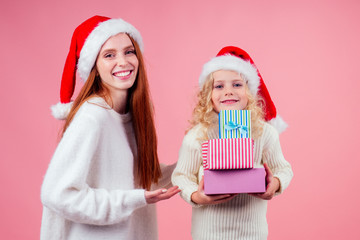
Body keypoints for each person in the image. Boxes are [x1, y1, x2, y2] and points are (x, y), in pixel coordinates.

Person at [41, 15, 180, 240]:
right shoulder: (93, 116)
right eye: (109, 55)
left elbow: (142, 181)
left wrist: (196, 158)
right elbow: (56, 194)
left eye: (129, 51)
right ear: (94, 66)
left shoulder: (131, 115)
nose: (123, 62)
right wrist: (136, 199)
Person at [171, 46, 293, 240]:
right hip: (208, 234)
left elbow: (283, 169)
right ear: (208, 96)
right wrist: (196, 195)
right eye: (219, 86)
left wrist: (275, 184)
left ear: (251, 93)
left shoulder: (264, 132)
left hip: (252, 233)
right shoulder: (198, 135)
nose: (228, 92)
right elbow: (181, 176)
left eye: (237, 85)